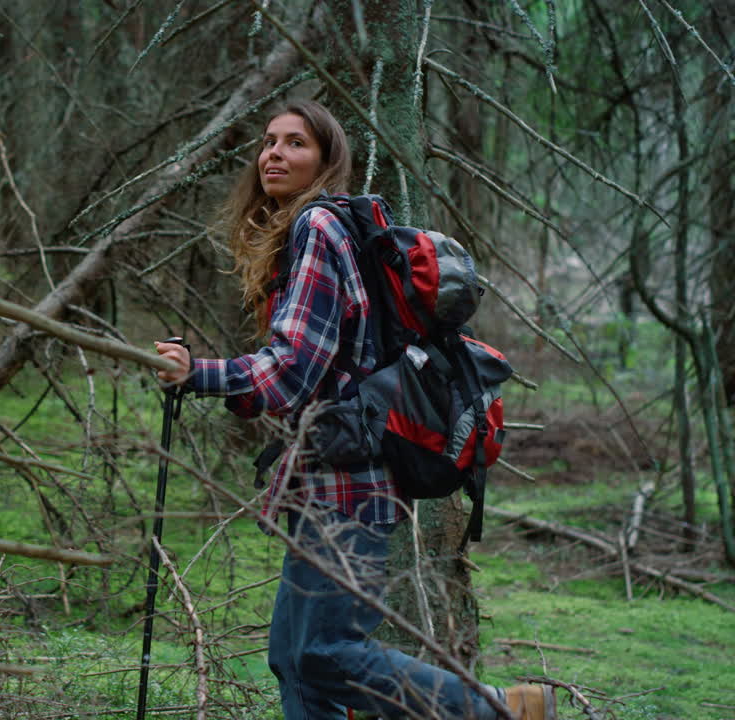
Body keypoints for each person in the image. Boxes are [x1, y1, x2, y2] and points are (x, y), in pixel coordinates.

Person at [153, 101, 555, 720]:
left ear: (326, 161)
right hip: (331, 478)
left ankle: (504, 710)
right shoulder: (331, 230)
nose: (274, 154)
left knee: (326, 654)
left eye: (296, 143)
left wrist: (199, 374)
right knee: (296, 661)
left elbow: (293, 368)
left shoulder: (317, 227)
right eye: (268, 142)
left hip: (349, 485)